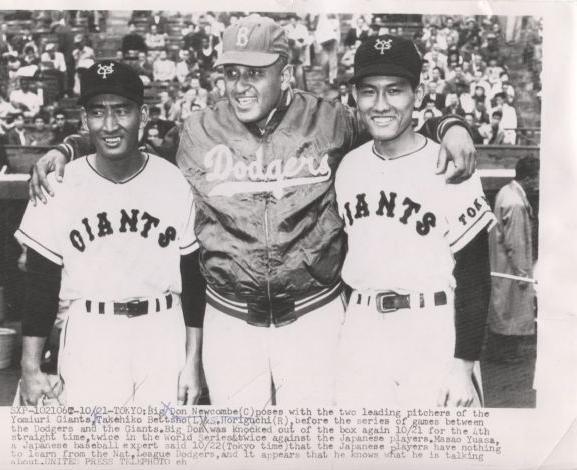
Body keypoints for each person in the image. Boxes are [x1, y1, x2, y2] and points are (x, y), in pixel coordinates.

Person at [29, 15, 477, 406]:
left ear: (285, 74)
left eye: (256, 72)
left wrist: (451, 126)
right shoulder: (197, 130)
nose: (240, 86)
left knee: (315, 449)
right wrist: (69, 146)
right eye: (232, 72)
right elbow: (126, 139)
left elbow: (394, 121)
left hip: (313, 316)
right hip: (230, 319)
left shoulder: (332, 120)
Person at [15, 61, 204, 406]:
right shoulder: (57, 184)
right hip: (91, 332)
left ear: (143, 116)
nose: (111, 125)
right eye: (98, 113)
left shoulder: (173, 180)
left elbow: (193, 280)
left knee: (164, 453)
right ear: (84, 121)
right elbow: (40, 285)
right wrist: (30, 366)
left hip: (163, 329)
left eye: (122, 110)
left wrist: (193, 360)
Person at [334, 35, 496, 407]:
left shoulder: (448, 163)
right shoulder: (349, 166)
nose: (381, 104)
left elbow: (475, 274)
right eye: (368, 92)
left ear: (418, 95)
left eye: (395, 90)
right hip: (361, 328)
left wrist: (462, 365)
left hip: (431, 325)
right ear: (354, 97)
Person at [487, 156, 538, 361]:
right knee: (511, 310)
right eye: (536, 178)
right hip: (510, 268)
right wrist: (523, 273)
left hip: (500, 264)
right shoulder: (516, 203)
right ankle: (505, 354)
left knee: (503, 308)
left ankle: (499, 351)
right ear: (528, 179)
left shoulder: (505, 192)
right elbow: (515, 243)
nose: (537, 183)